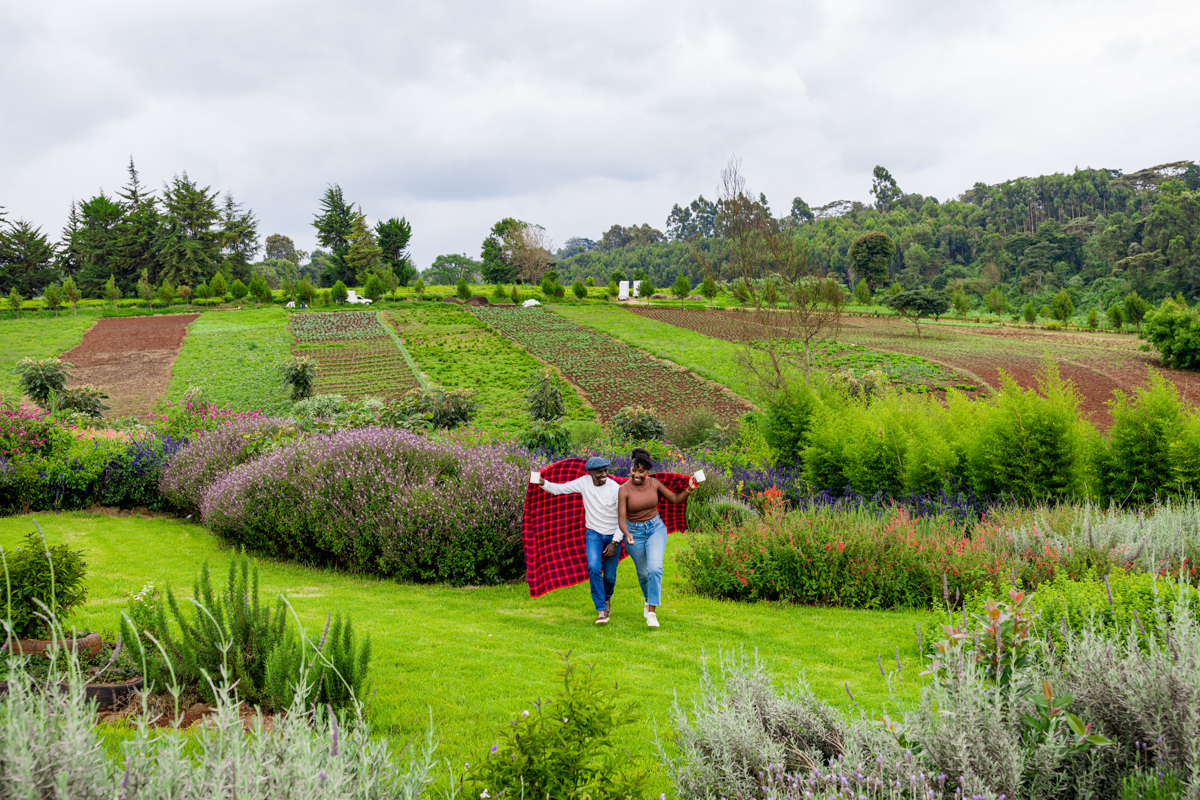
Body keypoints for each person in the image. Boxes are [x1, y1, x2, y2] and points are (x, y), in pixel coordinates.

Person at [538, 456, 623, 624]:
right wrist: (542, 483)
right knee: (593, 567)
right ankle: (601, 608)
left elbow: (623, 517)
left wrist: (614, 542)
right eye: (599, 472)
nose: (604, 474)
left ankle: (606, 599)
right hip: (593, 534)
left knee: (610, 577)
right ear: (590, 473)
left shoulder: (616, 489)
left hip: (613, 535)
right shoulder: (583, 482)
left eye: (605, 470)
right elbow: (559, 489)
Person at [618, 447, 695, 628]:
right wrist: (627, 534)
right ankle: (648, 599)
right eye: (634, 470)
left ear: (647, 471)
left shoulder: (654, 484)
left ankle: (652, 612)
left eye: (641, 471)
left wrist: (689, 489)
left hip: (655, 529)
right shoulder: (624, 490)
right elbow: (621, 519)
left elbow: (675, 499)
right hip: (633, 533)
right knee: (643, 573)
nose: (637, 475)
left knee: (655, 568)